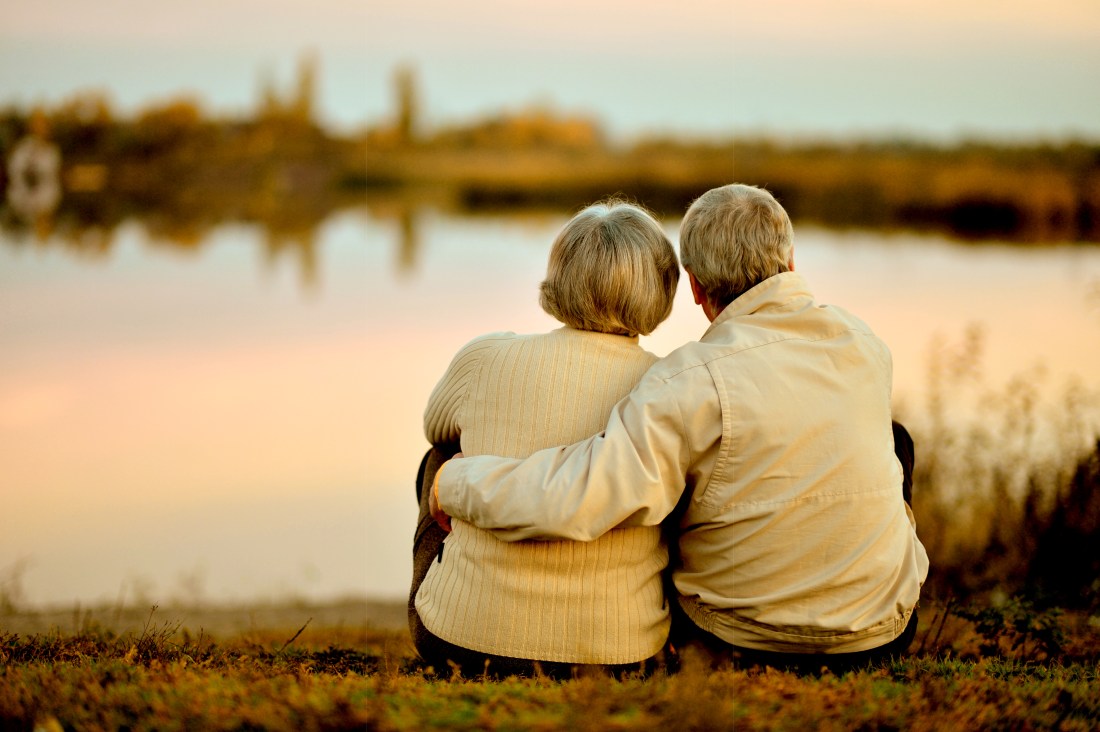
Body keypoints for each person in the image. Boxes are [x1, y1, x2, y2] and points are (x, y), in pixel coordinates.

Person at [431, 184, 930, 673]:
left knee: (673, 477)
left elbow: (585, 494)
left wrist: (452, 481)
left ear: (693, 286)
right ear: (792, 261)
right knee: (893, 439)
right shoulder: (865, 343)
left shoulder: (689, 380)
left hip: (739, 638)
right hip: (881, 635)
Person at [410, 198, 680, 678]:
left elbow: (436, 426)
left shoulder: (484, 357)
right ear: (662, 288)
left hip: (461, 642)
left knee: (442, 456)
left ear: (559, 278)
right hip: (620, 653)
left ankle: (467, 592)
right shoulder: (669, 385)